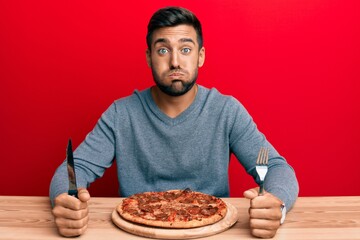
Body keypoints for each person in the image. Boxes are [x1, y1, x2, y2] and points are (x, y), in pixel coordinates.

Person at [50, 6, 299, 238]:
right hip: (136, 232)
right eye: (163, 50)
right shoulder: (121, 113)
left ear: (201, 56)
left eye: (186, 49)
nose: (175, 62)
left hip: (213, 234)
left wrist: (277, 205)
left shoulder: (227, 110)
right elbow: (74, 169)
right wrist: (66, 201)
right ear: (149, 57)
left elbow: (277, 169)